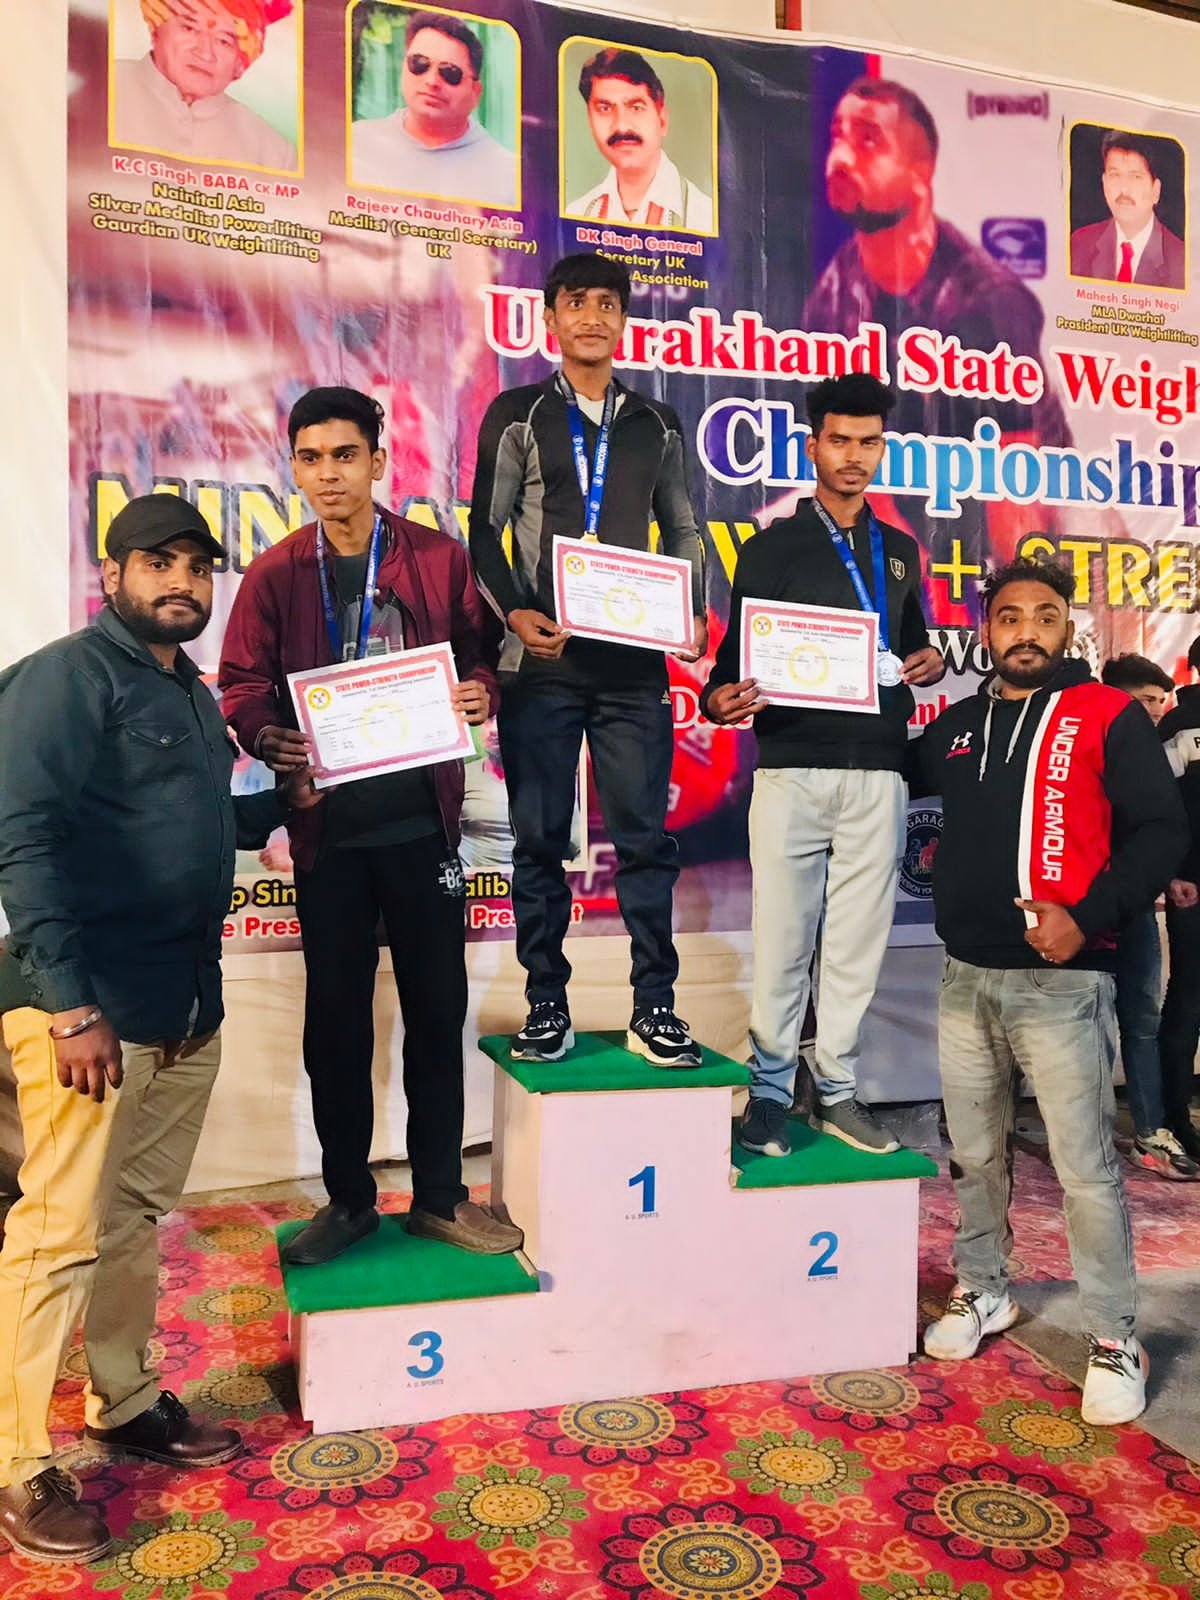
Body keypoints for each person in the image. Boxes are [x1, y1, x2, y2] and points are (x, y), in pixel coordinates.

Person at [0, 495, 320, 1563]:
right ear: (113, 571)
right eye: (158, 562)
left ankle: (123, 1399)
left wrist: (279, 802)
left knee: (133, 1216)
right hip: (90, 1012)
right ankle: (15, 1466)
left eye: (196, 565)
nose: (181, 581)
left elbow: (189, 823)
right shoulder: (67, 677)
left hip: (182, 1005)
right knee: (57, 1233)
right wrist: (69, 1004)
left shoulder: (185, 690)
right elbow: (24, 839)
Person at [219, 387, 523, 1267]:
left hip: (422, 830)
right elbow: (241, 683)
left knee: (436, 1013)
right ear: (295, 468)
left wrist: (482, 692)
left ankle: (439, 1196)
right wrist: (263, 734)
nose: (329, 475)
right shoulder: (276, 573)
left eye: (345, 455)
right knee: (337, 1027)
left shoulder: (436, 558)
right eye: (311, 458)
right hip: (328, 835)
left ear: (378, 462)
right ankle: (349, 1200)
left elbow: (479, 655)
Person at [919, 557, 1187, 1426]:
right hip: (965, 976)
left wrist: (1091, 916)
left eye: (1044, 615)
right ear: (986, 631)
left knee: (1084, 1171)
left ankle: (1114, 1335)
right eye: (1009, 616)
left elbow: (1161, 830)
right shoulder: (961, 724)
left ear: (1067, 628)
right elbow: (881, 755)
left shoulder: (1106, 713)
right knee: (976, 1154)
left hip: (1063, 981)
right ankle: (984, 1286)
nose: (1026, 630)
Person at [468, 253, 707, 1067]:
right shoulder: (519, 414)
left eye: (608, 303)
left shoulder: (657, 423)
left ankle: (655, 1007)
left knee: (644, 840)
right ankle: (546, 1004)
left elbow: (684, 527)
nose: (593, 317)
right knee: (539, 841)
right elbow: (484, 532)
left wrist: (691, 609)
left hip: (633, 668)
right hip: (543, 663)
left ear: (624, 320)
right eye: (577, 303)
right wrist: (518, 613)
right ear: (552, 319)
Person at [702, 372, 944, 1156]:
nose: (854, 456)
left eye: (869, 442)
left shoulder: (899, 552)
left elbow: (915, 646)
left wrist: (930, 662)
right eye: (840, 440)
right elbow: (731, 665)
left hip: (878, 768)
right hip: (791, 767)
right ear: (813, 447)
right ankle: (770, 1093)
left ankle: (837, 1090)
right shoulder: (769, 548)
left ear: (882, 448)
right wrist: (717, 699)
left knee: (855, 945)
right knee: (782, 940)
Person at [802, 76, 1070, 574]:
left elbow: (1018, 493)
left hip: (1030, 511)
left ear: (921, 170)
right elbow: (854, 476)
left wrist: (995, 601)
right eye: (838, 137)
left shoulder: (987, 300)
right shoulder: (834, 292)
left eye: (868, 141)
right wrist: (908, 577)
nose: (840, 158)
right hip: (908, 512)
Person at [1098, 654, 1195, 1178]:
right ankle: (1080, 1128)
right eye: (1144, 700)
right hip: (1080, 908)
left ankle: (1151, 1130)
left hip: (1133, 906)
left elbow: (1161, 833)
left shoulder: (1155, 758)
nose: (1155, 710)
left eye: (1160, 701)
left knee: (1141, 1020)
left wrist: (1165, 876)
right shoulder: (1082, 749)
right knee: (1078, 1025)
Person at [351, 10, 517, 208]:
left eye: (450, 72)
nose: (431, 81)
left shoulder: (508, 176)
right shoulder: (355, 142)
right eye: (419, 63)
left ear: (475, 92)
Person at [112, 0, 297, 172]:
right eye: (190, 28)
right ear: (155, 31)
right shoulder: (102, 85)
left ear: (240, 64)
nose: (205, 54)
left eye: (223, 41)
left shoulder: (274, 153)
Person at [565, 47, 714, 232]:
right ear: (590, 121)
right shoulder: (575, 215)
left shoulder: (706, 218)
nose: (621, 126)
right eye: (605, 108)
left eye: (636, 108)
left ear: (662, 120)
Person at [1155, 635, 1200, 1165]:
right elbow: (1160, 810)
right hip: (1193, 889)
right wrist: (1170, 874)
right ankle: (1175, 1118)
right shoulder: (1179, 727)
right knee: (1188, 1003)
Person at [1070, 129, 1186, 290]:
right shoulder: (1079, 244)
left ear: (1155, 191)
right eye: (1115, 175)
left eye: (1135, 177)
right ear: (1104, 183)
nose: (1124, 189)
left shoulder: (1182, 263)